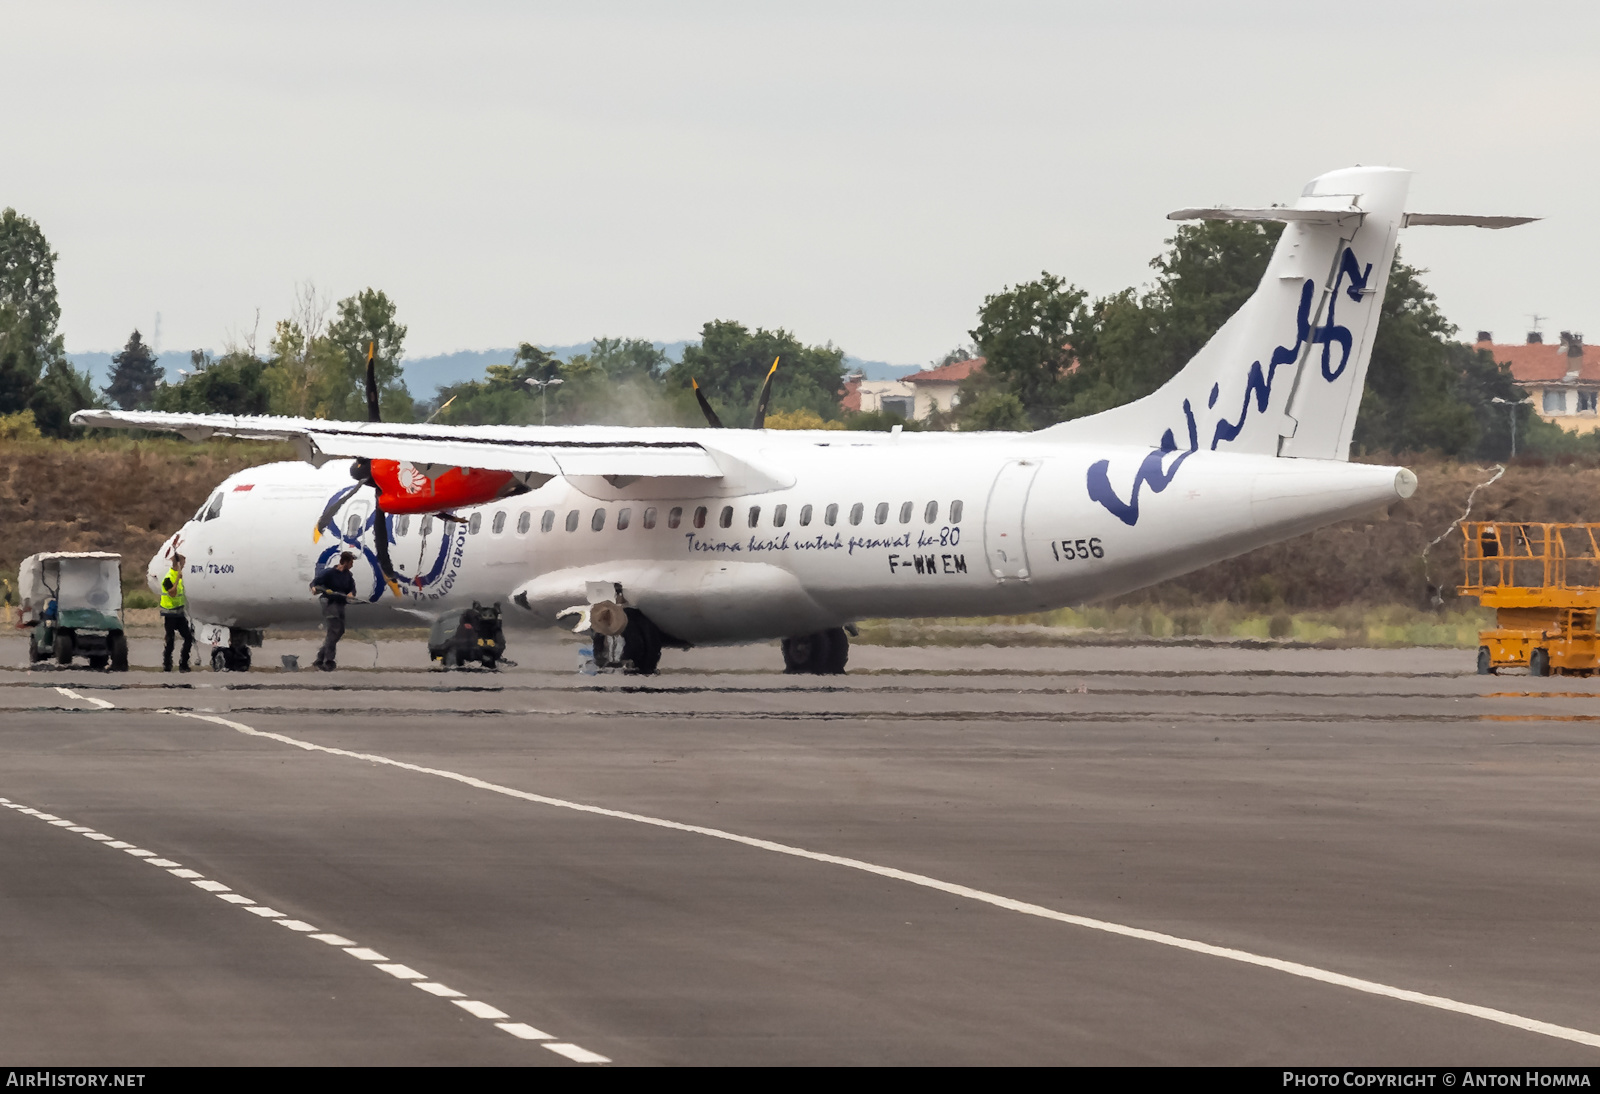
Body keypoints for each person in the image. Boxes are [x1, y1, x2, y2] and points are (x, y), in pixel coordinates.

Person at [311, 551, 357, 671]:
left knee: (339, 631)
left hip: (340, 604)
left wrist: (351, 593)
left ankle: (320, 658)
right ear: (345, 562)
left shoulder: (348, 575)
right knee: (334, 630)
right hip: (329, 603)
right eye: (351, 562)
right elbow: (314, 583)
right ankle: (329, 661)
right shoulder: (329, 573)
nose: (352, 565)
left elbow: (352, 588)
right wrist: (314, 588)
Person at [160, 552, 193, 672]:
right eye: (183, 563)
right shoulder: (168, 577)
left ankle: (184, 663)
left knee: (188, 638)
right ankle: (167, 664)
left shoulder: (181, 576)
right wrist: (178, 579)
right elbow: (172, 593)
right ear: (178, 563)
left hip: (179, 613)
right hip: (170, 614)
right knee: (170, 640)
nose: (184, 565)